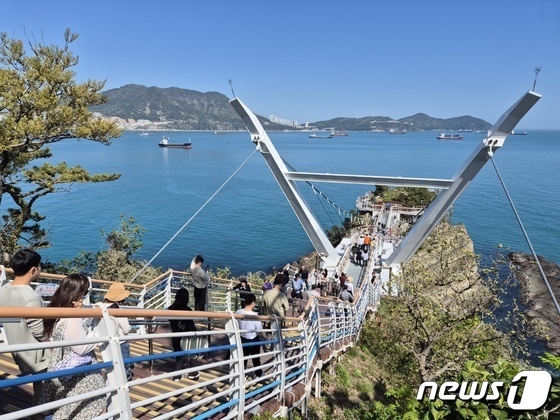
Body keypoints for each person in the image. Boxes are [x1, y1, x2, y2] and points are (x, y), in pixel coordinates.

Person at [40, 274, 105, 420]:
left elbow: (73, 334)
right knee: (93, 404)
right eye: (86, 292)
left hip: (60, 366)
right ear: (78, 293)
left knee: (64, 405)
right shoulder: (72, 317)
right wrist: (99, 336)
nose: (86, 295)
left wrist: (83, 315)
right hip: (77, 371)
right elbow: (80, 348)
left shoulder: (57, 311)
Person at [0, 249, 51, 405]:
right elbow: (38, 330)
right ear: (33, 269)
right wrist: (53, 346)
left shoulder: (4, 289)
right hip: (36, 353)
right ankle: (39, 414)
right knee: (43, 387)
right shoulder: (31, 297)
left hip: (17, 346)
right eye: (39, 265)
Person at [95, 283, 132, 380]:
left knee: (110, 367)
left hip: (106, 342)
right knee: (124, 366)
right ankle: (124, 385)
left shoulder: (99, 308)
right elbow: (126, 329)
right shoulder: (117, 309)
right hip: (120, 342)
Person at [168, 288, 199, 381]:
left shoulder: (170, 309)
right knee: (193, 352)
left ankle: (178, 375)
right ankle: (193, 373)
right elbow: (191, 325)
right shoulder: (188, 310)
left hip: (175, 335)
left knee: (179, 355)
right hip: (185, 337)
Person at [235, 293, 264, 378]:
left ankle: (241, 375)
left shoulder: (238, 312)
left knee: (243, 359)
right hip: (253, 340)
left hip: (242, 338)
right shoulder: (254, 315)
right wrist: (265, 337)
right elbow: (259, 330)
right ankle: (258, 374)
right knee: (256, 359)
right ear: (252, 303)